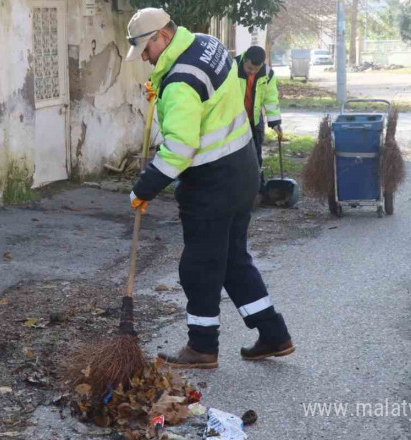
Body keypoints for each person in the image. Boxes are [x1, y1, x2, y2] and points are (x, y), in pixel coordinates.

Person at [125, 8, 294, 368]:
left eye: (145, 48)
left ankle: (202, 348)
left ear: (163, 37)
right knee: (233, 259)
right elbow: (212, 101)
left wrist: (144, 188)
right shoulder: (208, 44)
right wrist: (164, 85)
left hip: (211, 183)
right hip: (244, 168)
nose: (143, 56)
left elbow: (180, 150)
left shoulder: (179, 84)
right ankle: (273, 334)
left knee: (199, 266)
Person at [236, 45, 282, 197]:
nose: (252, 72)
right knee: (234, 156)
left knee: (256, 155)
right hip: (232, 122)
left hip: (254, 121)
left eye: (256, 69)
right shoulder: (231, 67)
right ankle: (234, 188)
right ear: (245, 59)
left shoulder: (268, 74)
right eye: (249, 68)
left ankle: (256, 188)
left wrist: (275, 123)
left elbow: (271, 99)